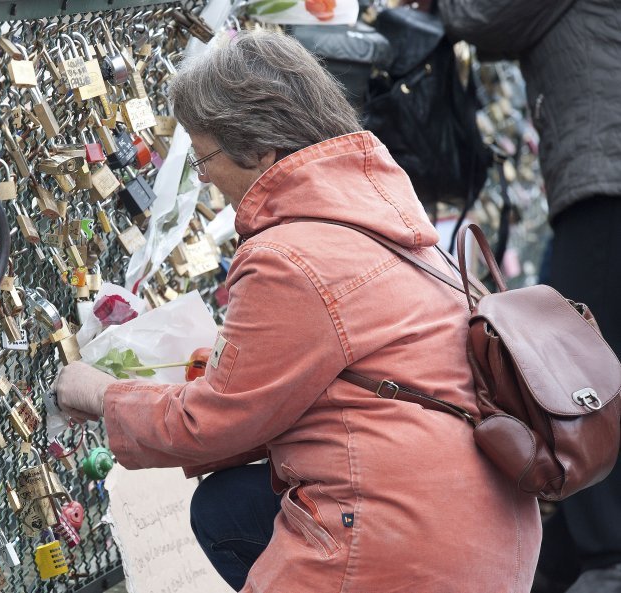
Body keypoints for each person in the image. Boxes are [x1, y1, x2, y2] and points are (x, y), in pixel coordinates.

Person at [54, 29, 540, 593]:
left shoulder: (288, 256)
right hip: (494, 531)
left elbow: (206, 425)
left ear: (261, 148)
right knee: (228, 508)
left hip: (406, 543)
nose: (204, 177)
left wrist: (95, 392)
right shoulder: (390, 218)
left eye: (204, 155)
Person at [436, 2, 621, 592]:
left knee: (572, 359)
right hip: (602, 177)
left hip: (606, 183)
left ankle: (605, 553)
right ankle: (569, 556)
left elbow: (480, 17)